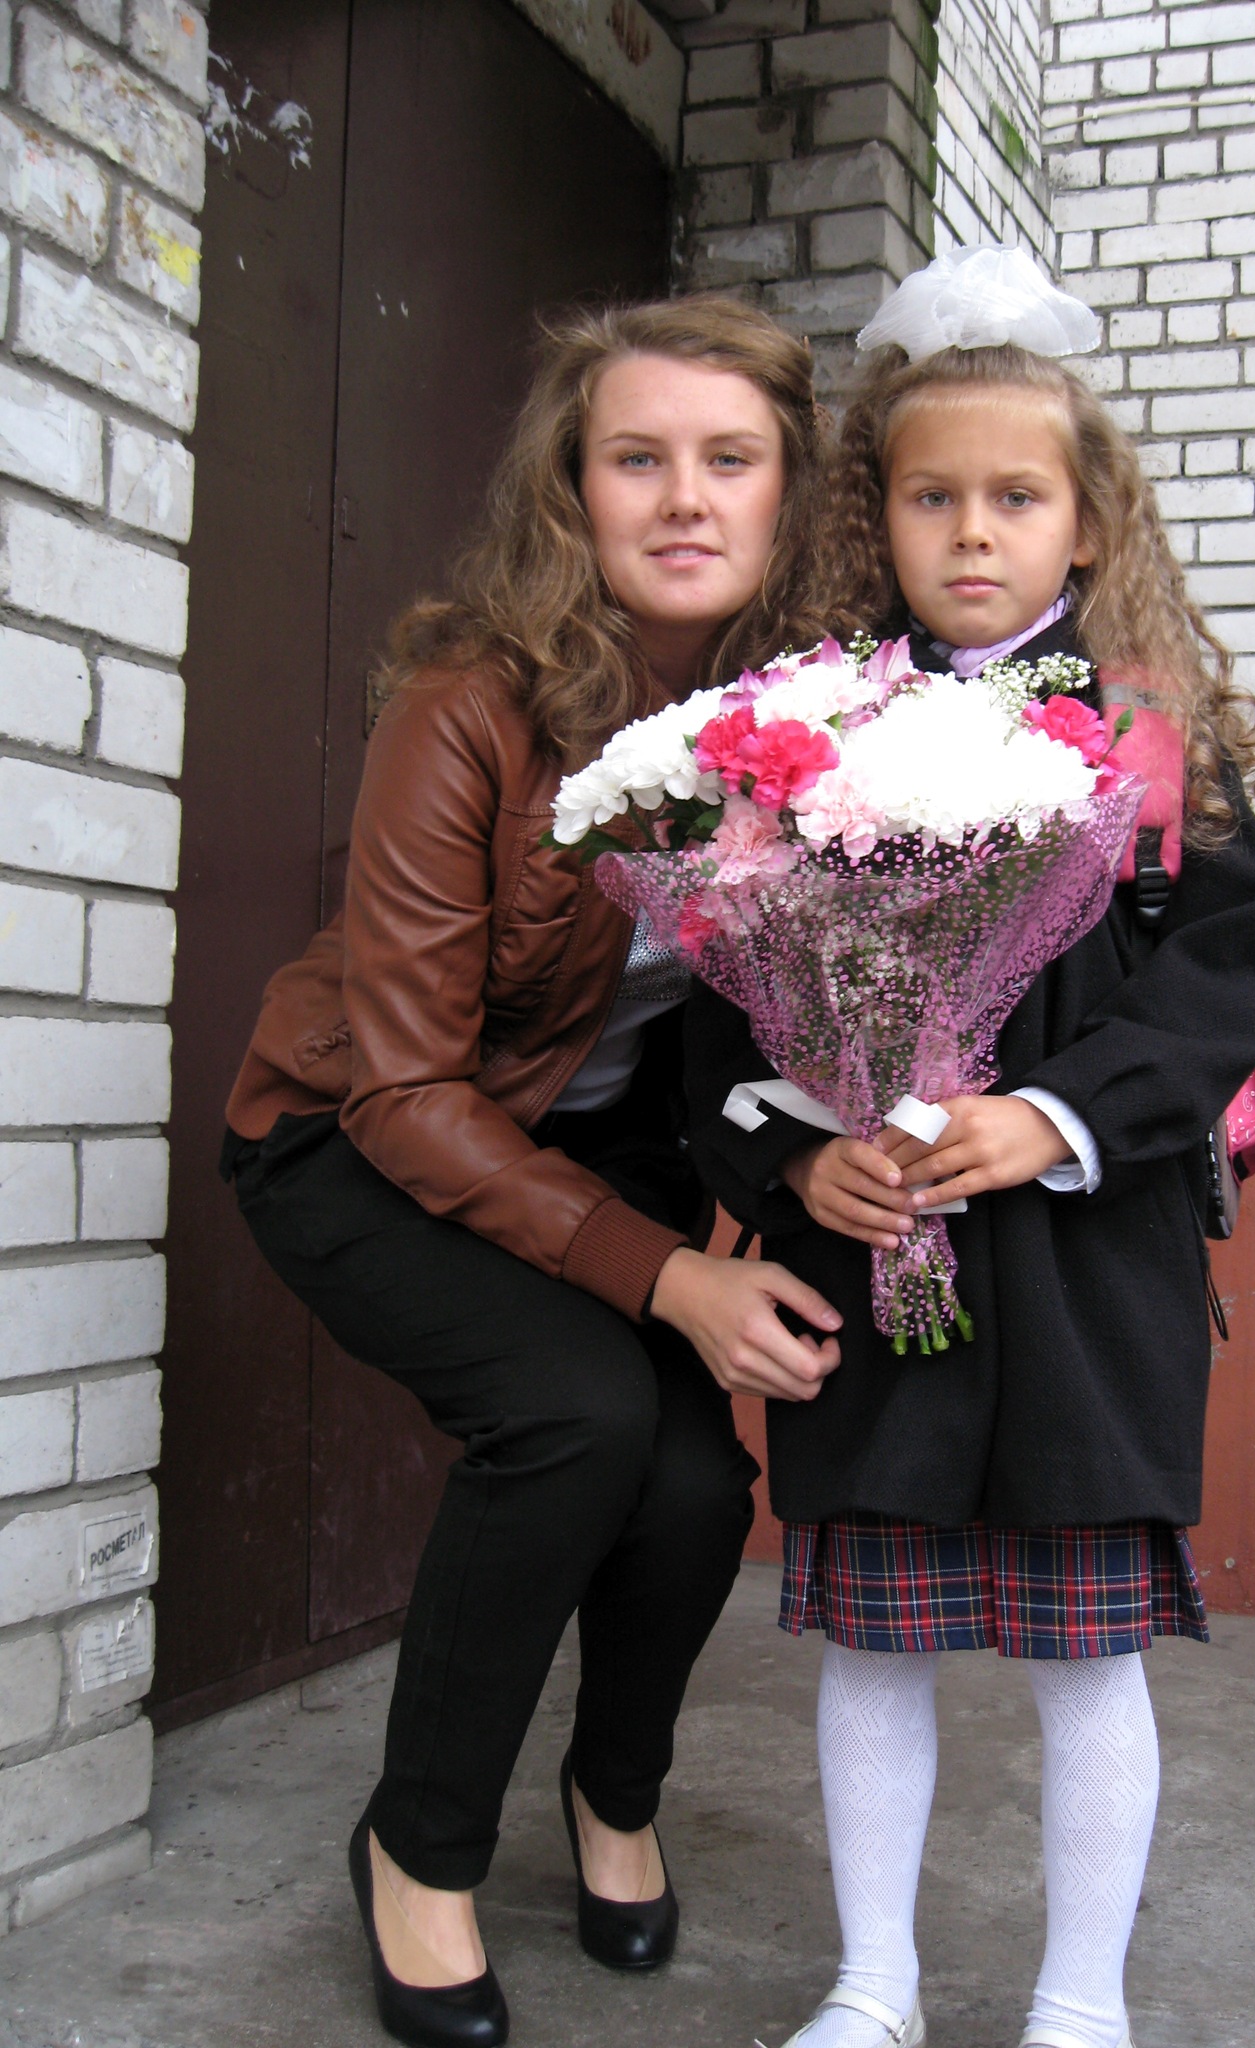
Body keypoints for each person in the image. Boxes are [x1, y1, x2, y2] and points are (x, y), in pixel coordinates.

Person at [221, 296, 847, 2048]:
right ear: (572, 488)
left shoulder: (815, 724)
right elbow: (411, 1086)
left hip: (591, 1146)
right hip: (354, 1130)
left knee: (694, 1487)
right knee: (576, 1416)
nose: (684, 498)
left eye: (730, 459)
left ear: (791, 492)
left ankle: (613, 1796)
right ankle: (419, 1848)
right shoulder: (470, 709)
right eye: (635, 457)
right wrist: (671, 1274)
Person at [686, 249, 1255, 2048]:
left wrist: (1052, 1118)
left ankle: (1078, 2004)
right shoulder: (804, 741)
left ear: (1086, 522)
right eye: (930, 495)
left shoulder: (1153, 746)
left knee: (1086, 1658)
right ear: (874, 517)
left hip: (1088, 1281)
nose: (973, 531)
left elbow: (1222, 988)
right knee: (875, 1646)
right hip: (877, 1261)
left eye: (1017, 497)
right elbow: (724, 1003)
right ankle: (872, 1986)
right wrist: (791, 1169)